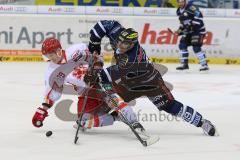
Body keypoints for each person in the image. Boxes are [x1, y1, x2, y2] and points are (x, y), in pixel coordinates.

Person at [87, 20, 217, 136]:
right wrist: (94, 46)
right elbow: (103, 25)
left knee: (169, 106)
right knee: (108, 102)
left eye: (125, 44)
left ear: (132, 44)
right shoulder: (120, 34)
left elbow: (108, 74)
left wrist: (95, 72)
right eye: (119, 42)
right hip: (130, 82)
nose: (120, 46)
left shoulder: (131, 60)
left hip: (150, 82)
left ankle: (202, 122)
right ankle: (112, 116)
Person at [31, 38, 153, 141]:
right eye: (47, 56)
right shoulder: (52, 72)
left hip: (100, 82)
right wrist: (42, 110)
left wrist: (96, 69)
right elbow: (53, 92)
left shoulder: (77, 49)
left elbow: (97, 55)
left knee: (114, 100)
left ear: (58, 51)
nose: (49, 58)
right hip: (85, 93)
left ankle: (135, 124)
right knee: (83, 122)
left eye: (51, 55)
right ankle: (117, 117)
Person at [174, 0, 209, 71]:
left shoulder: (191, 8)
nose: (181, 3)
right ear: (177, 2)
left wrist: (191, 26)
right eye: (179, 2)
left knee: (196, 47)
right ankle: (184, 64)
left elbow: (199, 17)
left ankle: (204, 65)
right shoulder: (178, 11)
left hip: (198, 31)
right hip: (189, 32)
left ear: (185, 2)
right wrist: (179, 31)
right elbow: (183, 23)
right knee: (182, 45)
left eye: (182, 2)